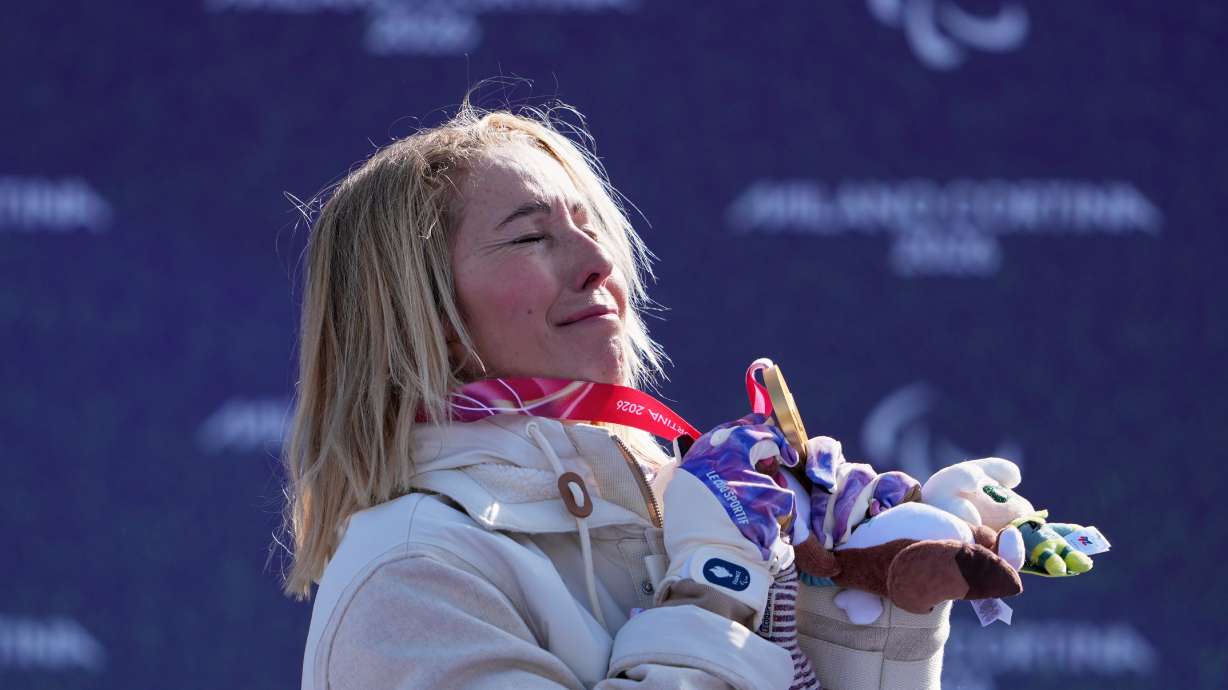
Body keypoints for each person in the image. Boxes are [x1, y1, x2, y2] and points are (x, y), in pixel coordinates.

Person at [280, 93, 952, 690]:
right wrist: (713, 582)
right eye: (530, 236)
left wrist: (867, 606)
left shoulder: (674, 512)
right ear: (424, 318)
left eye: (588, 225)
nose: (599, 262)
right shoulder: (409, 575)